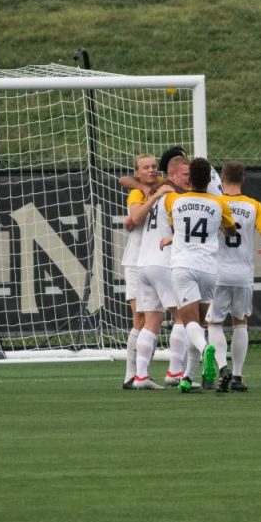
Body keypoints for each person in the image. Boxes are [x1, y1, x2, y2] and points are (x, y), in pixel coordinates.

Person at [161, 157, 236, 393]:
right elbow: (232, 231)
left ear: (190, 179)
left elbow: (176, 225)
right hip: (208, 269)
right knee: (199, 324)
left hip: (184, 266)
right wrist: (221, 226)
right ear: (209, 180)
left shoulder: (175, 201)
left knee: (188, 322)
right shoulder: (219, 204)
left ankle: (206, 352)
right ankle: (187, 377)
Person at [207, 161, 261, 393]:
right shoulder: (254, 205)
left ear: (221, 179)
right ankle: (237, 376)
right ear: (243, 178)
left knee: (214, 323)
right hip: (243, 273)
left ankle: (222, 367)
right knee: (240, 323)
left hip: (217, 271)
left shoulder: (215, 203)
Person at [129, 155, 190, 390]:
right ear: (172, 175)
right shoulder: (172, 197)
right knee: (184, 316)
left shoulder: (153, 194)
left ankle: (141, 377)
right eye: (185, 175)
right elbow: (185, 226)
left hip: (143, 264)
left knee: (152, 320)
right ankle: (175, 371)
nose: (189, 180)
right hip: (163, 262)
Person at [119, 153, 161, 389]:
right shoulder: (137, 192)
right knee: (140, 318)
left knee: (153, 317)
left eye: (154, 166)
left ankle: (142, 373)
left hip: (153, 260)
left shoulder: (161, 187)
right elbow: (134, 216)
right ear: (138, 172)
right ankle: (130, 374)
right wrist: (148, 196)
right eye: (145, 167)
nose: (151, 170)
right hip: (135, 261)